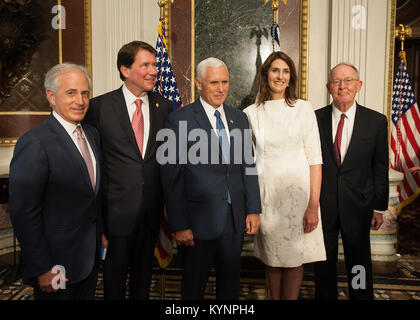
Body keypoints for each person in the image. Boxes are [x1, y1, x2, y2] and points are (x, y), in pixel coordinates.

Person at [160, 57, 262, 300]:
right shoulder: (179, 120)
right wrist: (180, 224)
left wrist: (253, 209)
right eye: (214, 82)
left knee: (230, 288)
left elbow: (248, 166)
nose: (221, 88)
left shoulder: (239, 118)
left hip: (233, 220)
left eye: (225, 82)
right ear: (198, 83)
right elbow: (171, 179)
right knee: (193, 288)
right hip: (197, 224)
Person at [85, 41, 172, 300]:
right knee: (114, 281)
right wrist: (98, 221)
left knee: (143, 280)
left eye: (154, 64)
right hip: (115, 217)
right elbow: (93, 166)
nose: (153, 71)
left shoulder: (164, 106)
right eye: (145, 65)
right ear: (125, 70)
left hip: (151, 214)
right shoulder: (99, 108)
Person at [9, 63, 103, 300]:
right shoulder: (35, 143)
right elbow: (23, 213)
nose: (80, 101)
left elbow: (91, 194)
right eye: (71, 93)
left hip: (87, 261)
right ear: (51, 96)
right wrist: (42, 268)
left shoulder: (91, 134)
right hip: (55, 267)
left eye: (84, 93)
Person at [244, 51, 326, 300]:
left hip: (298, 198)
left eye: (285, 71)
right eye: (275, 70)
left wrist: (313, 205)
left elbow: (315, 160)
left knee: (293, 261)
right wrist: (253, 207)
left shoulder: (303, 109)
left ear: (291, 78)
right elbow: (249, 164)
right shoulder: (250, 113)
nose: (280, 76)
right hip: (267, 196)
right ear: (265, 75)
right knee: (272, 259)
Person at [314, 63, 389, 300]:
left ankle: (359, 297)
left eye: (348, 80)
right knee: (323, 261)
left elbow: (379, 167)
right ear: (328, 87)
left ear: (359, 85)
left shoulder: (376, 122)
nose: (342, 86)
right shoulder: (314, 119)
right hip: (323, 205)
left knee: (358, 262)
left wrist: (379, 206)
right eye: (336, 81)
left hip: (359, 205)